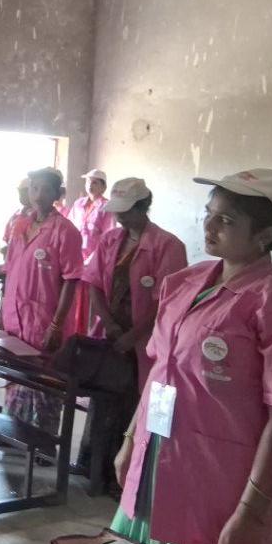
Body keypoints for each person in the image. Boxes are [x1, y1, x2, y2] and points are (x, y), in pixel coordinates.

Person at [111, 169, 272, 544]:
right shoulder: (184, 283)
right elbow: (160, 374)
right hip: (156, 464)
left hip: (221, 486)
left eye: (226, 220)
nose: (209, 225)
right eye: (209, 213)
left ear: (265, 235)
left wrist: (250, 513)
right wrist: (130, 440)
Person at [76, 178, 187, 493]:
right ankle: (94, 466)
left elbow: (166, 301)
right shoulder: (110, 240)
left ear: (143, 207)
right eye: (117, 211)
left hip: (144, 341)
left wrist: (134, 335)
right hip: (111, 335)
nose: (120, 217)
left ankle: (126, 476)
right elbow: (94, 283)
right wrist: (110, 325)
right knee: (103, 401)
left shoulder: (168, 246)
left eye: (126, 211)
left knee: (135, 404)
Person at [0, 167, 83, 433]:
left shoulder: (65, 231)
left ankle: (42, 443)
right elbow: (10, 270)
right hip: (16, 319)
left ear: (58, 194)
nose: (38, 195)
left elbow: (71, 279)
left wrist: (56, 324)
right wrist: (2, 310)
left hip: (43, 322)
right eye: (34, 188)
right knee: (15, 380)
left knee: (43, 385)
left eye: (46, 189)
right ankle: (12, 436)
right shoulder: (21, 225)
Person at [66, 168, 119, 336]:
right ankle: (72, 333)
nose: (90, 185)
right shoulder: (78, 204)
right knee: (72, 297)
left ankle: (85, 336)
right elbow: (69, 228)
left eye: (95, 182)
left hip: (93, 262)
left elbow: (107, 236)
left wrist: (91, 260)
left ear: (103, 187)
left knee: (89, 300)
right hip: (74, 259)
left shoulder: (106, 207)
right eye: (89, 181)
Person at [1, 177, 32, 258]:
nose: (21, 195)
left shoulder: (39, 218)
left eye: (24, 191)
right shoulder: (16, 215)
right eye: (20, 191)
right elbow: (8, 239)